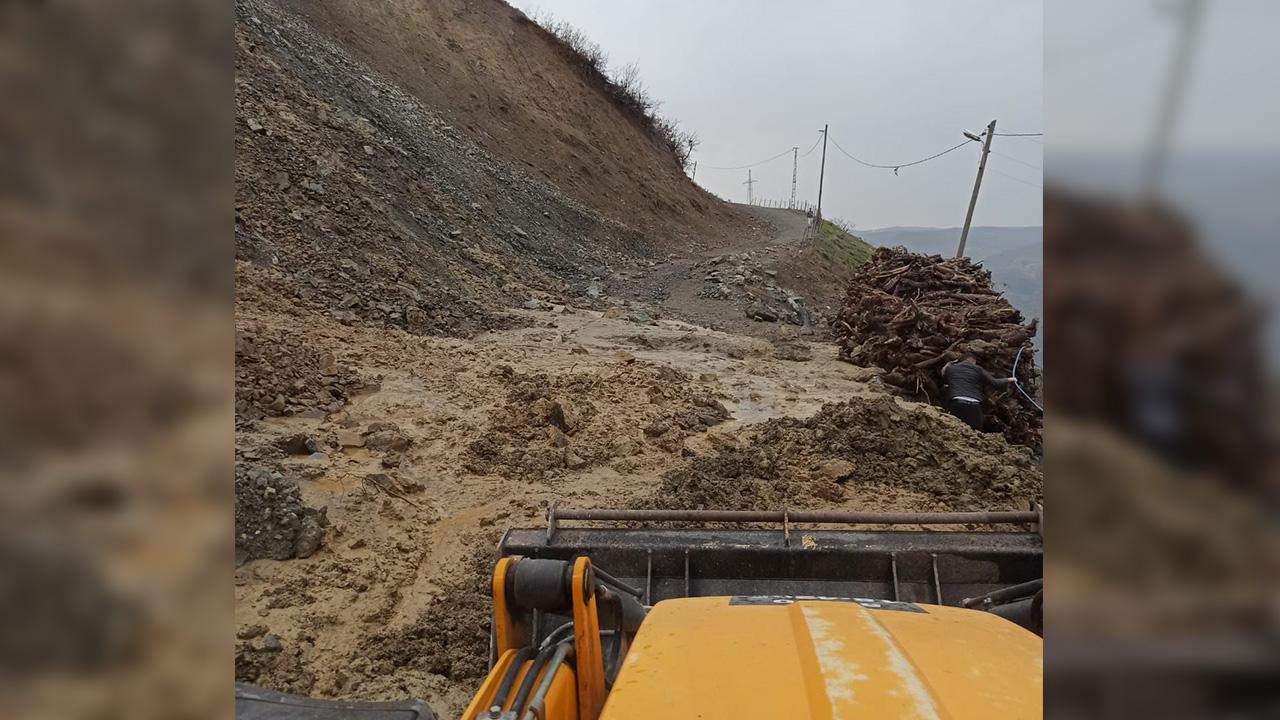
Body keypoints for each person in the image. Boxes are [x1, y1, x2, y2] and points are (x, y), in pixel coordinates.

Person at [941, 353, 1016, 431]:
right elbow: (995, 383)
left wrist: (949, 363)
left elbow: (943, 375)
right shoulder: (978, 369)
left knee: (953, 429)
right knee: (975, 432)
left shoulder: (951, 368)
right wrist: (1010, 379)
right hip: (974, 404)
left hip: (956, 402)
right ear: (974, 361)